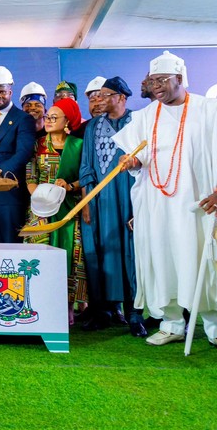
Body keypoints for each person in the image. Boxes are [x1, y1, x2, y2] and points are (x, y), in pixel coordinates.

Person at [115, 51, 217, 355]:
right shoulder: (145, 116)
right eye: (152, 81)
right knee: (166, 260)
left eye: (163, 80)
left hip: (201, 205)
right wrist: (133, 161)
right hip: (159, 206)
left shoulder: (209, 110)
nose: (157, 86)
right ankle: (172, 324)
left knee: (209, 260)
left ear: (179, 78)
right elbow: (140, 160)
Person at [79, 77, 145, 336]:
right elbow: (86, 166)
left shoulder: (138, 122)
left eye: (106, 95)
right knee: (100, 251)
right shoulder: (93, 126)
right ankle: (102, 311)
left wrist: (141, 205)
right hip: (98, 200)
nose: (99, 99)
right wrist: (86, 203)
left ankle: (134, 312)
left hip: (130, 197)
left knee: (130, 254)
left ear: (121, 97)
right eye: (97, 95)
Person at [24, 98, 86, 323]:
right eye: (47, 117)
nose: (48, 120)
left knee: (70, 256)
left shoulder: (78, 146)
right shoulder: (37, 145)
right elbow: (30, 175)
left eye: (53, 117)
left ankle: (69, 306)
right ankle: (39, 302)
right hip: (41, 209)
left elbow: (86, 176)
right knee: (40, 254)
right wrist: (40, 197)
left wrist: (70, 187)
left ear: (67, 120)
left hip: (69, 209)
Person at [0, 66, 37, 243]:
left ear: (10, 92)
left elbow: (24, 152)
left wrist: (1, 169)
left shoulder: (23, 119)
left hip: (10, 193)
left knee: (11, 245)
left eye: (2, 91)